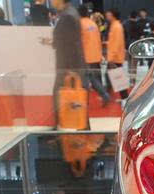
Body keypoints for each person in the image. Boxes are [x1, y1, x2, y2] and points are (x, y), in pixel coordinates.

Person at [40, 0, 84, 128]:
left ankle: (62, 125)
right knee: (70, 96)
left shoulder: (67, 16)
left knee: (62, 95)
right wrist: (51, 42)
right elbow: (65, 40)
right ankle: (71, 125)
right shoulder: (69, 13)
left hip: (66, 65)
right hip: (68, 63)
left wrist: (70, 68)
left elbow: (70, 44)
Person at [78, 5, 109, 106]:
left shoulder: (79, 24)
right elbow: (98, 40)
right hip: (95, 56)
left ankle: (84, 102)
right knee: (93, 79)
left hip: (86, 57)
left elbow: (78, 42)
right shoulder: (93, 24)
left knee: (85, 81)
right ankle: (104, 95)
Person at [104, 8, 128, 100]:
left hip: (115, 58)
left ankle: (123, 98)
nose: (107, 16)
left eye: (108, 14)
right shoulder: (115, 25)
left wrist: (110, 58)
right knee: (115, 79)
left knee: (118, 80)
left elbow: (116, 43)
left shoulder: (116, 27)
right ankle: (107, 96)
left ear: (113, 15)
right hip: (115, 57)